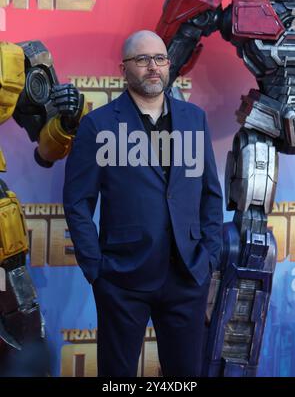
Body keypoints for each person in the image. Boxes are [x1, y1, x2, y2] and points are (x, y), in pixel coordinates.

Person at [63, 30, 223, 377]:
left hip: (187, 274)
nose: (153, 67)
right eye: (142, 59)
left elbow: (211, 194)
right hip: (122, 278)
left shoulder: (194, 119)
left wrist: (209, 255)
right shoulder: (98, 125)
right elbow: (77, 202)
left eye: (160, 58)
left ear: (168, 64)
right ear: (124, 68)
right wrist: (97, 269)